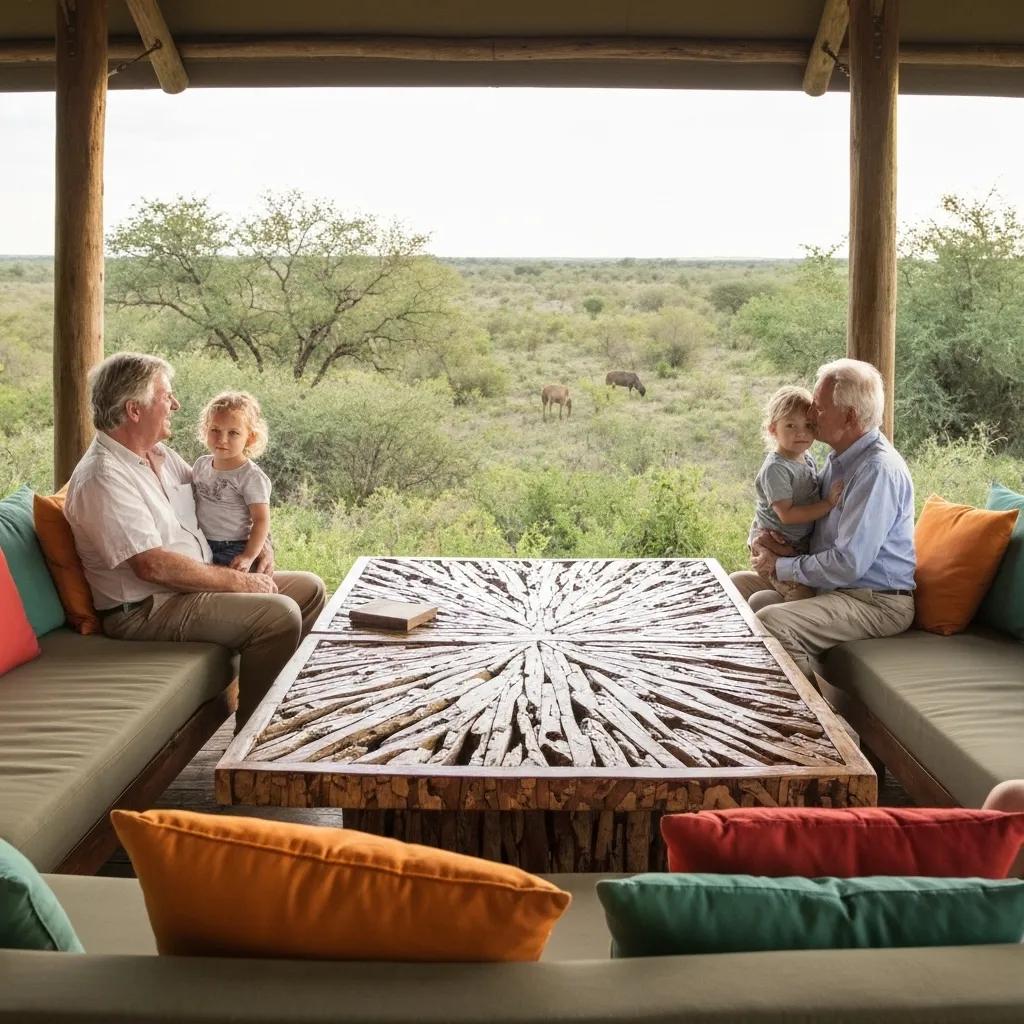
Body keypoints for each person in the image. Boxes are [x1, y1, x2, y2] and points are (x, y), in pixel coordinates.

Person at [64, 353, 326, 729]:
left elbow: (223, 501)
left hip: (193, 586)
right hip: (146, 609)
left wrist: (262, 544)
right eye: (166, 396)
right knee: (278, 614)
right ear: (134, 410)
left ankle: (280, 709)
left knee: (309, 590)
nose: (175, 404)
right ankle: (254, 739)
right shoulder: (103, 477)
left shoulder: (161, 455)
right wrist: (241, 582)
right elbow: (152, 565)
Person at [730, 358, 916, 676]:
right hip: (839, 588)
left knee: (771, 621)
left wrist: (781, 565)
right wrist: (764, 542)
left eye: (818, 407)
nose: (811, 415)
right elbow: (790, 514)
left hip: (876, 601)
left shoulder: (874, 471)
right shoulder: (837, 459)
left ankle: (819, 724)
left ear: (849, 416)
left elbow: (848, 563)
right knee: (735, 588)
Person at [749, 385, 843, 602]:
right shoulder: (776, 468)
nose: (801, 432)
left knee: (806, 588)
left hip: (797, 546)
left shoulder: (805, 457)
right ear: (773, 429)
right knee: (801, 595)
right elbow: (787, 514)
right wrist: (828, 503)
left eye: (808, 425)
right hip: (778, 545)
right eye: (790, 425)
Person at [193, 391, 271, 572]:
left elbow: (261, 520)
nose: (222, 439)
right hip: (200, 543)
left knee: (230, 592)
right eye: (215, 430)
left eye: (233, 433)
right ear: (205, 430)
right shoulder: (201, 465)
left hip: (234, 548)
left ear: (250, 438)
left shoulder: (251, 476)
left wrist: (249, 556)